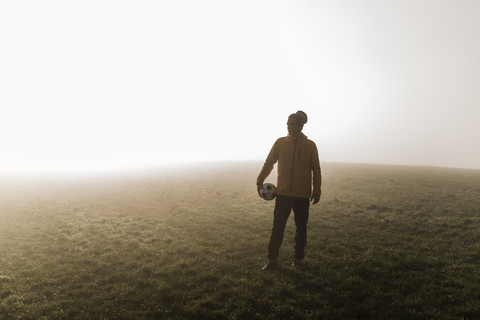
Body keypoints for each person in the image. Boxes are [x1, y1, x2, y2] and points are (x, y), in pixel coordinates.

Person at [257, 110, 321, 270]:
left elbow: (316, 169)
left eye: (292, 124)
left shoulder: (310, 145)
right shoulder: (280, 142)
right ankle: (271, 260)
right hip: (283, 194)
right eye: (287, 123)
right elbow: (269, 163)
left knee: (301, 229)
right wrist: (259, 181)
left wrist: (317, 190)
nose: (288, 127)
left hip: (302, 195)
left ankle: (298, 260)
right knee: (277, 228)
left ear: (300, 125)